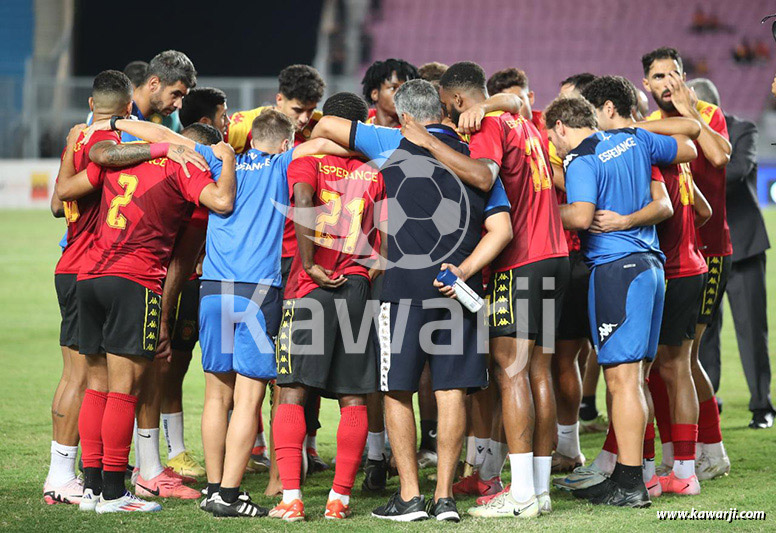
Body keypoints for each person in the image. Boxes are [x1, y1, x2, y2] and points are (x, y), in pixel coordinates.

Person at [313, 78, 513, 522]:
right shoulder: (475, 160)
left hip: (402, 288)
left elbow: (325, 123)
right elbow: (503, 231)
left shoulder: (390, 141)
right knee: (451, 392)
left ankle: (408, 497)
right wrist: (464, 270)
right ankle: (444, 498)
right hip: (458, 290)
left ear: (404, 117)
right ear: (441, 111)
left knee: (397, 390)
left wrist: (355, 149)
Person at [409, 61, 568, 518]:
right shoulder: (523, 121)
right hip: (555, 256)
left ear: (458, 101)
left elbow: (483, 176)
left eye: (445, 106)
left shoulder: (489, 125)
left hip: (520, 261)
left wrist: (427, 144)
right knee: (539, 370)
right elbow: (517, 100)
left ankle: (519, 495)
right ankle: (538, 489)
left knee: (510, 371)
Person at [45, 71, 206, 506]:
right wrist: (159, 144)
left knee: (91, 379)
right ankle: (81, 480)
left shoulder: (81, 138)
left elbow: (59, 202)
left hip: (79, 267)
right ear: (128, 107)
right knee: (113, 382)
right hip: (116, 268)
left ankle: (89, 482)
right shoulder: (122, 147)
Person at [57, 122, 235, 513]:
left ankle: (92, 489)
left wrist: (115, 124)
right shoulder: (189, 166)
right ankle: (114, 493)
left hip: (88, 276)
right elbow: (222, 202)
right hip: (134, 281)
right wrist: (229, 162)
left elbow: (63, 198)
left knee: (97, 385)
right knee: (125, 389)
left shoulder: (128, 159)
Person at [546, 95, 697, 507]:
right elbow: (689, 146)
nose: (555, 149)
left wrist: (540, 210)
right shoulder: (634, 138)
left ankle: (629, 484)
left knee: (622, 380)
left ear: (561, 126)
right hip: (650, 266)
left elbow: (579, 216)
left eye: (552, 138)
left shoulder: (581, 157)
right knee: (636, 377)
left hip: (616, 269)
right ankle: (637, 475)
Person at [583, 76, 709, 497]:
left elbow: (667, 204)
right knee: (661, 372)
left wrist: (623, 221)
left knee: (649, 374)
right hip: (677, 264)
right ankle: (668, 468)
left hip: (656, 266)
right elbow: (697, 192)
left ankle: (650, 472)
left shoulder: (634, 145)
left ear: (609, 109)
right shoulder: (650, 147)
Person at [270, 92, 384, 522]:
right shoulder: (374, 170)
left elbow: (302, 201)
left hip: (311, 286)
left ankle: (293, 498)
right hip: (356, 288)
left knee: (294, 391)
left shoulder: (307, 159)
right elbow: (385, 229)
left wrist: (312, 263)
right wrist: (373, 269)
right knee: (354, 398)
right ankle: (340, 499)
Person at [225, 64, 327, 478]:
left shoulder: (321, 127)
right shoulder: (246, 125)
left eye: (311, 110)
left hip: (299, 256)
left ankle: (306, 444)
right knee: (254, 358)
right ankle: (257, 442)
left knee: (299, 356)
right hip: (260, 260)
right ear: (279, 99)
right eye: (299, 109)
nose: (304, 118)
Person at [643, 47, 733, 481]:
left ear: (682, 77)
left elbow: (718, 157)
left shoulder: (706, 112)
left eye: (671, 75)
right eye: (657, 77)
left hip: (709, 251)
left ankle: (710, 450)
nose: (665, 83)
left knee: (683, 358)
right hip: (671, 255)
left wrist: (686, 109)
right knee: (665, 360)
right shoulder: (652, 128)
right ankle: (679, 449)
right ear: (645, 83)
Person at [688, 78, 774, 429]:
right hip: (703, 247)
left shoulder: (742, 130)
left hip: (743, 245)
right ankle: (711, 400)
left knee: (751, 328)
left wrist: (689, 177)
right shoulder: (686, 134)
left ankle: (761, 406)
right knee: (705, 331)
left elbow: (736, 171)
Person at [121, 51, 196, 142]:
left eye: (182, 97)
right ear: (154, 84)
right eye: (175, 94)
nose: (179, 105)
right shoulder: (117, 119)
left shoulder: (140, 123)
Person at [361, 58, 419, 127]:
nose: (401, 95)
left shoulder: (415, 133)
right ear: (375, 94)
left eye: (405, 89)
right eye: (393, 88)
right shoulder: (358, 124)